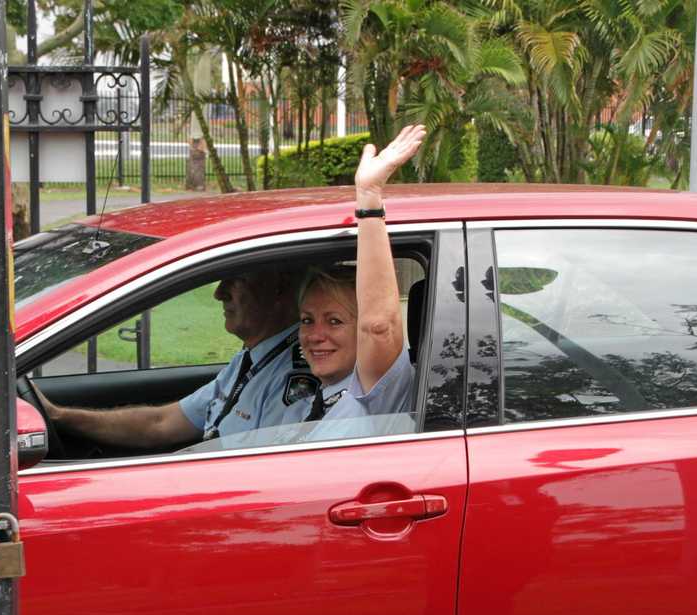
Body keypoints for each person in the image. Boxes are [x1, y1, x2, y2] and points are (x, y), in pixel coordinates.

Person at [37, 268, 305, 449]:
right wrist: (60, 416)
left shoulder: (295, 375)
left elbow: (269, 476)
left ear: (278, 288)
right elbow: (161, 423)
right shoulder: (251, 361)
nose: (219, 293)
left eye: (234, 281)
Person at [294, 124, 426, 429]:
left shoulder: (374, 398)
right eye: (306, 320)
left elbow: (378, 327)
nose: (315, 335)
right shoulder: (315, 399)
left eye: (335, 320)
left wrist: (368, 199)